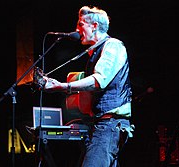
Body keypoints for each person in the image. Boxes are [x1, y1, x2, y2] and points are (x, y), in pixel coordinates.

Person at [41, 5, 135, 167]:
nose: (77, 29)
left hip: (109, 126)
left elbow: (99, 80)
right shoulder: (95, 53)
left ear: (94, 26)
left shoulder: (113, 46)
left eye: (81, 24)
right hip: (101, 126)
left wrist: (63, 86)